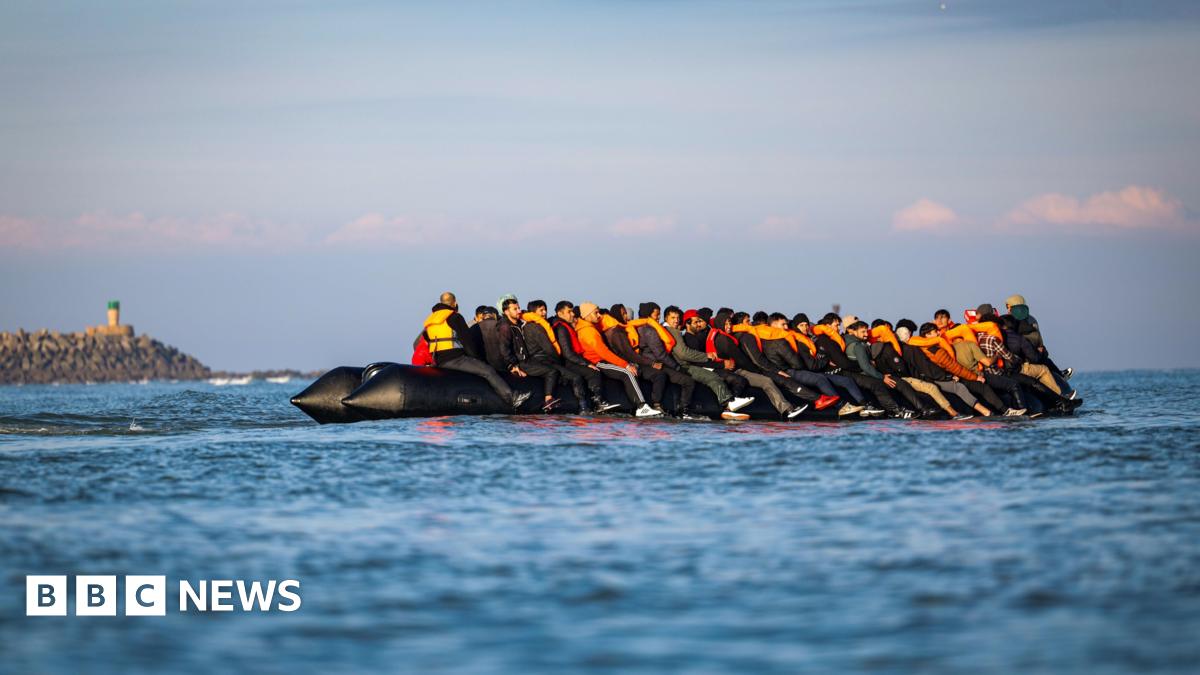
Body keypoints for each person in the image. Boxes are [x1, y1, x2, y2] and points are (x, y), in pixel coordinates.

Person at [421, 291, 530, 410]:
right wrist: (477, 359)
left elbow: (426, 339)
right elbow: (467, 341)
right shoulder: (454, 317)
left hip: (437, 360)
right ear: (455, 303)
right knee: (487, 371)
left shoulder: (430, 319)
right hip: (454, 358)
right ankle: (512, 398)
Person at [690, 310, 808, 419]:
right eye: (726, 324)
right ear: (720, 324)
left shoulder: (718, 336)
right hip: (735, 370)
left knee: (766, 381)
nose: (729, 326)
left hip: (733, 369)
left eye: (730, 323)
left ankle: (786, 410)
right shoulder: (724, 340)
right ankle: (786, 410)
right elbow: (741, 360)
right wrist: (759, 371)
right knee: (766, 381)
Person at [600, 303, 696, 417]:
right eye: (657, 315)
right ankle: (651, 407)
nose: (658, 318)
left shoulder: (626, 328)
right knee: (683, 379)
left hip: (640, 362)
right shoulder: (620, 332)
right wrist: (676, 367)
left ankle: (657, 405)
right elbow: (632, 354)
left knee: (660, 375)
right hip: (636, 363)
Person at [662, 305, 755, 418]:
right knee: (712, 377)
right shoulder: (675, 332)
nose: (676, 320)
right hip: (683, 365)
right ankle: (727, 403)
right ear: (666, 318)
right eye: (673, 318)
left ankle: (728, 404)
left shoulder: (672, 331)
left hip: (680, 364)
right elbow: (684, 353)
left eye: (677, 317)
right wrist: (708, 356)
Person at [575, 302, 663, 417]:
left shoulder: (591, 325)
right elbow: (604, 353)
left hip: (602, 360)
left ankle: (642, 407)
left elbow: (625, 324)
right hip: (598, 362)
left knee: (629, 371)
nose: (599, 315)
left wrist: (647, 321)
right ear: (587, 315)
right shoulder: (588, 331)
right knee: (628, 372)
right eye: (595, 313)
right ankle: (641, 407)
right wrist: (625, 364)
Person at [519, 299, 599, 413]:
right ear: (533, 312)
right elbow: (548, 348)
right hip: (543, 360)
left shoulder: (540, 325)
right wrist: (561, 362)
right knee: (575, 377)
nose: (544, 312)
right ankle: (583, 407)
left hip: (545, 359)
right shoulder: (535, 327)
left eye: (545, 309)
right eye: (541, 310)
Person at [496, 297, 570, 412]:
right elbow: (504, 349)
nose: (519, 311)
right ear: (506, 312)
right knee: (552, 371)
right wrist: (512, 365)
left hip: (528, 359)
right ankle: (548, 400)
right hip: (521, 362)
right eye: (515, 309)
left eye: (519, 308)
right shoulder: (506, 327)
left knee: (555, 369)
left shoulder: (519, 323)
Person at [810, 313, 890, 417]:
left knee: (849, 381)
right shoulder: (829, 341)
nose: (839, 328)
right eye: (836, 325)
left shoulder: (820, 339)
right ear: (828, 326)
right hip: (837, 372)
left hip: (831, 371)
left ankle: (865, 406)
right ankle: (868, 406)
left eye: (839, 325)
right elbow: (843, 363)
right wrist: (862, 366)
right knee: (863, 382)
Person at [551, 301, 620, 414]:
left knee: (592, 371)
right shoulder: (561, 328)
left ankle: (594, 403)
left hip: (573, 359)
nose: (573, 314)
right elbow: (567, 353)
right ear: (560, 313)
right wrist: (587, 363)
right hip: (569, 362)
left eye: (572, 311)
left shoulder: (566, 326)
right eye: (569, 312)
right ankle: (592, 404)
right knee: (593, 372)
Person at [843, 321, 918, 419]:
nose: (866, 334)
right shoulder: (858, 346)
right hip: (856, 374)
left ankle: (896, 409)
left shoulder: (851, 341)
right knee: (880, 384)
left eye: (866, 331)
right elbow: (865, 367)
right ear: (853, 331)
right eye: (863, 332)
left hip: (856, 373)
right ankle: (896, 410)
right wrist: (882, 377)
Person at [1005, 293, 1072, 380]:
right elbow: (1039, 341)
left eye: (1008, 306)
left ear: (1013, 306)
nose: (1007, 309)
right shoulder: (1032, 319)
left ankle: (1059, 375)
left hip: (1022, 357)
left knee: (1042, 358)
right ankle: (1060, 374)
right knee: (1044, 358)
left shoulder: (1008, 320)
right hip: (1031, 354)